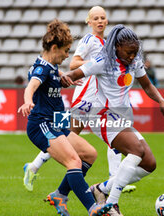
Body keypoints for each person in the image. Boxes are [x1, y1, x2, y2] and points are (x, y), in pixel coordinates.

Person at [60, 24, 164, 216]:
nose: (132, 56)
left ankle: (101, 189)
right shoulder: (103, 61)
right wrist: (65, 79)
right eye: (129, 52)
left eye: (135, 52)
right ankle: (111, 204)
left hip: (121, 118)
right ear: (117, 46)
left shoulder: (135, 61)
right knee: (136, 151)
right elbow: (74, 74)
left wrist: (162, 101)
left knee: (149, 163)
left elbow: (147, 86)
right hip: (101, 115)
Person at [23, 6, 135, 194]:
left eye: (103, 18)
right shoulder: (89, 40)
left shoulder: (106, 43)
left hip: (96, 101)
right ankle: (34, 168)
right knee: (63, 136)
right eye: (96, 18)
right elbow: (74, 63)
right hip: (84, 100)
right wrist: (96, 65)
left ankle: (114, 181)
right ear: (88, 22)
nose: (100, 21)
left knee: (108, 133)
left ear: (107, 21)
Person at [18, 19, 112, 216]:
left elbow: (52, 73)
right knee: (73, 161)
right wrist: (27, 101)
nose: (67, 55)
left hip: (57, 122)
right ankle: (91, 207)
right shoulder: (41, 69)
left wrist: (64, 77)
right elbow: (31, 86)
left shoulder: (49, 65)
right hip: (42, 124)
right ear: (54, 47)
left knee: (90, 154)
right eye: (66, 50)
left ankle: (59, 194)